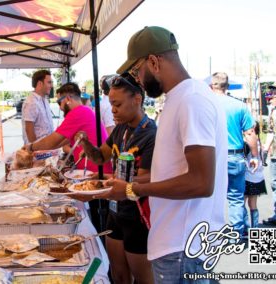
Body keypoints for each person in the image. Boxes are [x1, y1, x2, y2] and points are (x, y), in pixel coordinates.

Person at [96, 26, 228, 283]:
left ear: (154, 61)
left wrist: (134, 190)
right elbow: (171, 173)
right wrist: (126, 186)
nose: (138, 79)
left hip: (183, 247)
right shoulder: (181, 99)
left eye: (137, 71)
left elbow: (201, 182)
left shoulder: (192, 100)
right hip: (177, 244)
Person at [76, 74, 155, 284]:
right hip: (115, 211)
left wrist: (110, 180)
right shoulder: (121, 128)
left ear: (137, 99)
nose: (112, 110)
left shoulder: (151, 133)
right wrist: (85, 143)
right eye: (111, 104)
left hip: (137, 216)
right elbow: (101, 157)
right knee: (118, 276)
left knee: (143, 279)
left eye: (117, 104)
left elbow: (147, 177)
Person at [23, 82, 112, 174]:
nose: (60, 108)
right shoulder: (84, 110)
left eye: (59, 102)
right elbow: (60, 142)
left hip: (95, 173)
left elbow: (52, 141)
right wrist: (38, 149)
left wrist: (31, 147)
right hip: (95, 170)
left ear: (68, 99)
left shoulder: (77, 113)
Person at [211, 72, 258, 236]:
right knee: (236, 197)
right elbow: (250, 133)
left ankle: (212, 232)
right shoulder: (239, 106)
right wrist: (255, 156)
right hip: (235, 155)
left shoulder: (206, 105)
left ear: (212, 85)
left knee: (210, 196)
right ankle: (236, 233)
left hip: (212, 157)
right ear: (227, 86)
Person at [244, 121, 267, 229]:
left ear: (252, 130)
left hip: (248, 177)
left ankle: (244, 227)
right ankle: (255, 228)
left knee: (241, 203)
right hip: (258, 178)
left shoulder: (248, 143)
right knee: (253, 204)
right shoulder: (259, 142)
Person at [21, 70, 54, 144]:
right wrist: (36, 150)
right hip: (38, 152)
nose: (51, 86)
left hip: (47, 148)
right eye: (49, 82)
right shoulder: (31, 102)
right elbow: (29, 130)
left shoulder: (44, 99)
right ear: (40, 84)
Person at [263, 83, 276, 225]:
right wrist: (265, 150)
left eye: (272, 95)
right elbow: (271, 132)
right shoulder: (272, 112)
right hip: (275, 155)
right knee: (274, 184)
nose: (269, 97)